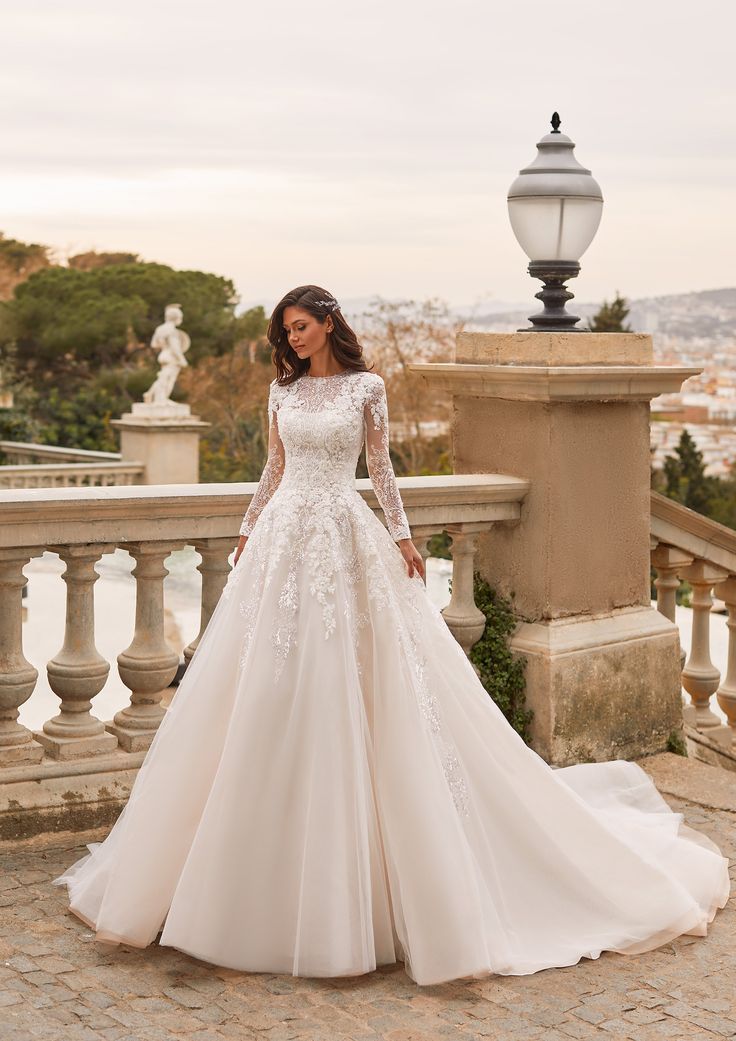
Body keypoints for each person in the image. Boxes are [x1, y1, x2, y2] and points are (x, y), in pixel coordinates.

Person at [53, 284, 730, 987]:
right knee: (267, 689)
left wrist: (403, 538)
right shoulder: (280, 393)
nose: (294, 338)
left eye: (303, 326)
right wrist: (250, 527)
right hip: (285, 538)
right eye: (286, 329)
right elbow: (273, 470)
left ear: (328, 324)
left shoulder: (368, 387)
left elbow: (380, 469)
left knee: (355, 684)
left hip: (343, 537)